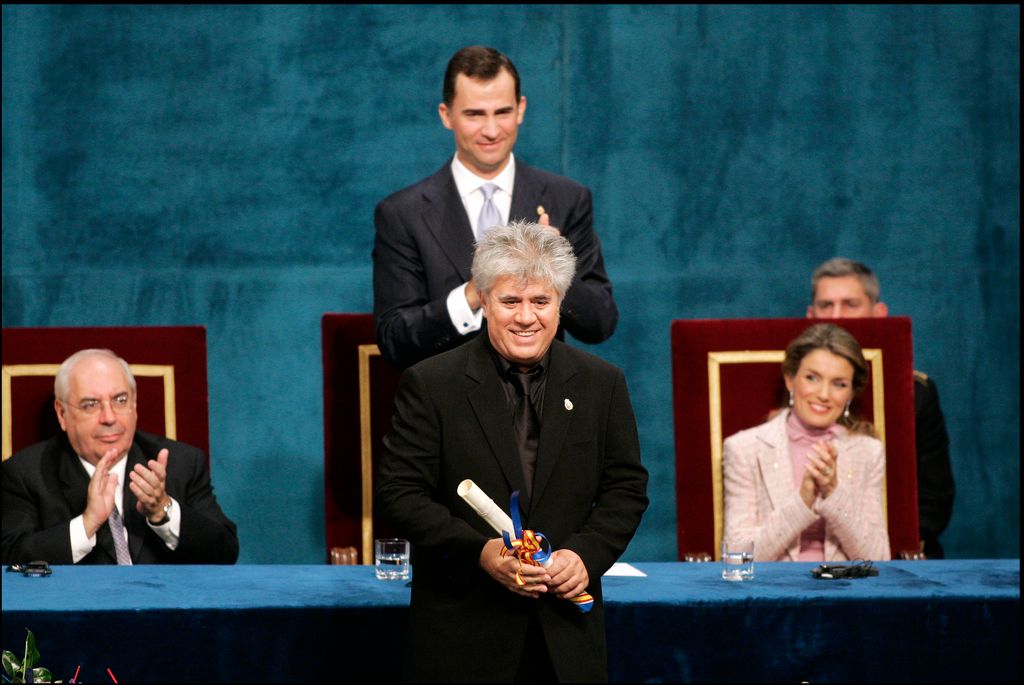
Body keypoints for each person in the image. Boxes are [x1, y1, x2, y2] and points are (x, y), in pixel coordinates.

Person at [376, 221, 648, 682]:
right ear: (483, 300)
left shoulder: (603, 383)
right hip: (462, 636)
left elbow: (626, 488)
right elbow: (400, 495)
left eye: (541, 301)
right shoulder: (431, 384)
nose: (526, 317)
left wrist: (584, 555)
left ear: (561, 304)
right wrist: (479, 553)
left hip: (567, 640)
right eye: (511, 301)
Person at [373, 45, 618, 370]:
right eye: (475, 114)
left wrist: (555, 270)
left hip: (543, 407)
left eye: (502, 112)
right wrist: (472, 294)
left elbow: (600, 323)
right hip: (447, 410)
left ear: (521, 109)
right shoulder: (403, 213)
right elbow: (394, 340)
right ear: (446, 115)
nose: (490, 130)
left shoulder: (567, 199)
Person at [2, 349, 238, 565]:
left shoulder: (182, 463)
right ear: (62, 414)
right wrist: (86, 524)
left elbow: (225, 551)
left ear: (134, 406)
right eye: (90, 404)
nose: (109, 417)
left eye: (120, 400)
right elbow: (9, 559)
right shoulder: (25, 474)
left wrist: (163, 511)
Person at [807, 257, 954, 558]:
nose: (837, 316)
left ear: (879, 313)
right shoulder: (793, 387)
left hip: (892, 559)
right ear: (810, 315)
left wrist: (880, 552)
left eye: (850, 304)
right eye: (826, 305)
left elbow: (933, 503)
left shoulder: (914, 393)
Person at [723, 323, 891, 562]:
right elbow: (737, 558)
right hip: (772, 591)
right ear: (791, 380)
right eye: (812, 378)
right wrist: (803, 500)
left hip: (845, 591)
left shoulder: (868, 451)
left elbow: (877, 558)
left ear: (850, 395)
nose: (823, 394)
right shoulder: (744, 448)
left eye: (839, 384)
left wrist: (833, 492)